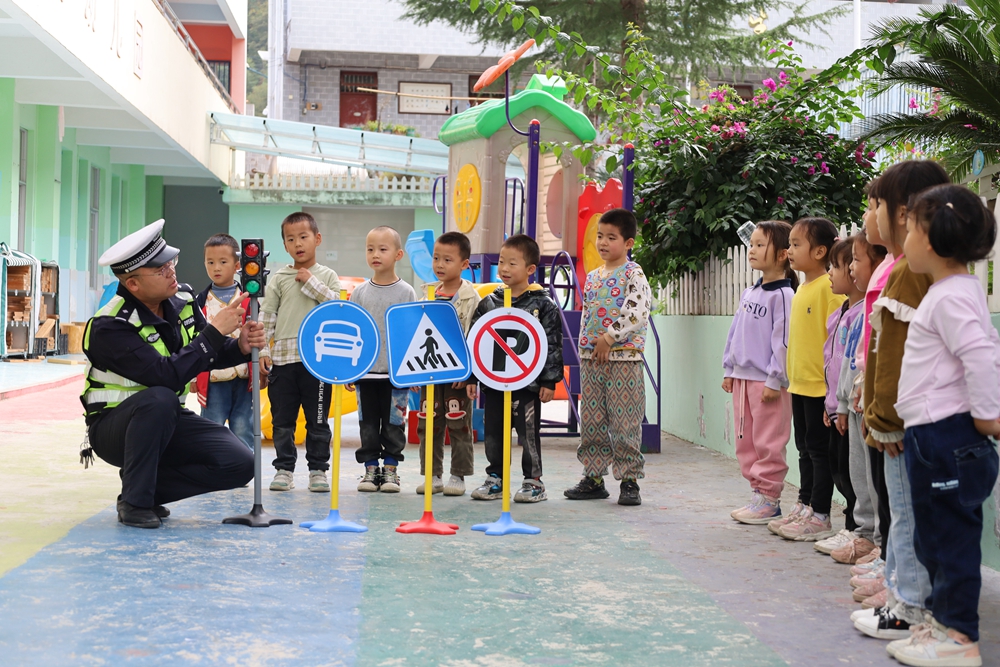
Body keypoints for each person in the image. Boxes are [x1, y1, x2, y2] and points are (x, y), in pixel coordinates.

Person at [883, 184, 1000, 667]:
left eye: (910, 228)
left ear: (929, 241)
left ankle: (961, 639)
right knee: (931, 537)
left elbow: (980, 354)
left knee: (950, 541)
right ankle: (939, 624)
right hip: (929, 435)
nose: (904, 237)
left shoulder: (951, 297)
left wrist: (987, 415)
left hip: (949, 435)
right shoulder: (945, 292)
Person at [81, 220, 258, 528]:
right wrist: (215, 333)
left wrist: (238, 347)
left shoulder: (182, 301)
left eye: (170, 262)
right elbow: (165, 375)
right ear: (133, 284)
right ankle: (136, 505)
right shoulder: (110, 325)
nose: (171, 271)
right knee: (161, 398)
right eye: (160, 269)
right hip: (113, 428)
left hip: (165, 419)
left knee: (240, 462)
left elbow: (203, 355)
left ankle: (142, 489)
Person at [855, 160, 950, 638]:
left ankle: (908, 609)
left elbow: (894, 354)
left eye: (876, 205)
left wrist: (885, 417)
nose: (869, 214)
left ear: (906, 214)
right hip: (905, 419)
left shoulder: (909, 273)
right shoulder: (912, 270)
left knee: (909, 516)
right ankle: (900, 597)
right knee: (907, 513)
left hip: (904, 424)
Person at [563, 209, 653, 506]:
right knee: (592, 420)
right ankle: (593, 477)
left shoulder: (633, 273)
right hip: (592, 360)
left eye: (611, 237)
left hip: (624, 360)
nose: (603, 242)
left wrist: (609, 338)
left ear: (628, 243)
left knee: (625, 420)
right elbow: (587, 315)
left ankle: (629, 481)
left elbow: (637, 312)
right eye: (600, 236)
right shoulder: (591, 277)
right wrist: (586, 348)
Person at [467, 234, 563, 503]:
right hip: (494, 382)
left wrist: (549, 380)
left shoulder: (543, 305)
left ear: (530, 269)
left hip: (528, 385)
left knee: (528, 432)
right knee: (494, 431)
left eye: (512, 263)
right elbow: (477, 342)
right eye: (501, 262)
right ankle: (495, 478)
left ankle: (534, 481)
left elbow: (552, 344)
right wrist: (473, 377)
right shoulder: (490, 302)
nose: (504, 269)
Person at [768, 217, 845, 541]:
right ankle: (804, 503)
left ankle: (821, 513)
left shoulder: (829, 288)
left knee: (819, 451)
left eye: (797, 244)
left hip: (819, 387)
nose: (789, 250)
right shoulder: (800, 289)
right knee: (803, 448)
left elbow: (839, 336)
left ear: (820, 251)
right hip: (799, 384)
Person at [715, 221, 795, 522]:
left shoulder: (784, 296)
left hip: (767, 383)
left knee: (768, 441)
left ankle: (770, 498)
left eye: (761, 244)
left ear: (782, 254)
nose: (753, 249)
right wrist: (729, 368)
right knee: (744, 440)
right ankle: (757, 494)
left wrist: (776, 379)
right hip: (743, 379)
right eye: (753, 243)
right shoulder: (751, 292)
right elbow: (735, 332)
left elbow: (784, 341)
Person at [259, 212, 342, 493]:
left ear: (317, 239)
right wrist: (262, 352)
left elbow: (336, 306)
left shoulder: (327, 276)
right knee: (283, 421)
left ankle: (318, 470)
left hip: (318, 363)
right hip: (283, 362)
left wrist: (310, 281)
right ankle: (284, 469)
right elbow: (267, 316)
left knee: (318, 420)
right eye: (291, 239)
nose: (298, 244)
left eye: (303, 237)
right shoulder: (279, 278)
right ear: (284, 245)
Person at [828, 232, 887, 566]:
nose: (850, 268)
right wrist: (840, 402)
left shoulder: (872, 306)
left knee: (877, 481)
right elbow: (844, 361)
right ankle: (864, 534)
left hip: (869, 405)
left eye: (856, 260)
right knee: (858, 474)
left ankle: (878, 540)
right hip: (853, 403)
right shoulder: (852, 311)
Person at [348, 226, 416, 494]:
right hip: (366, 374)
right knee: (367, 424)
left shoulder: (407, 292)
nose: (375, 254)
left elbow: (411, 334)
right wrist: (351, 369)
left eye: (383, 249)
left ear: (398, 254)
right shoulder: (360, 293)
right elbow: (354, 329)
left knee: (394, 424)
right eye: (370, 249)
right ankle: (369, 469)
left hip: (396, 375)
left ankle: (390, 469)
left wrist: (411, 373)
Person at [414, 231, 481, 497]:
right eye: (436, 258)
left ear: (464, 264)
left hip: (457, 376)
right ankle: (432, 475)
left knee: (459, 422)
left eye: (448, 260)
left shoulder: (472, 299)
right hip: (430, 374)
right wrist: (415, 374)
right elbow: (416, 338)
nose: (440, 265)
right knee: (428, 423)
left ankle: (458, 475)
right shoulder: (426, 296)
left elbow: (475, 339)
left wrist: (469, 375)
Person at [813, 238, 864, 556]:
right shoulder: (840, 313)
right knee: (840, 468)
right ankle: (852, 527)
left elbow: (851, 363)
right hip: (835, 406)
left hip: (850, 408)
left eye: (835, 266)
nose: (829, 272)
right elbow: (832, 363)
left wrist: (842, 402)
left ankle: (856, 528)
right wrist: (830, 401)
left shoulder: (860, 315)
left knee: (853, 474)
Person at [192, 233, 252, 450]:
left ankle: (245, 466)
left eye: (223, 262)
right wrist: (192, 377)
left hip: (244, 376)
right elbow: (194, 340)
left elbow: (259, 333)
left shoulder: (250, 299)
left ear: (237, 265)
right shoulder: (199, 302)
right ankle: (212, 465)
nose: (216, 267)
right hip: (213, 377)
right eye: (210, 262)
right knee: (211, 425)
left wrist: (264, 364)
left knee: (244, 426)